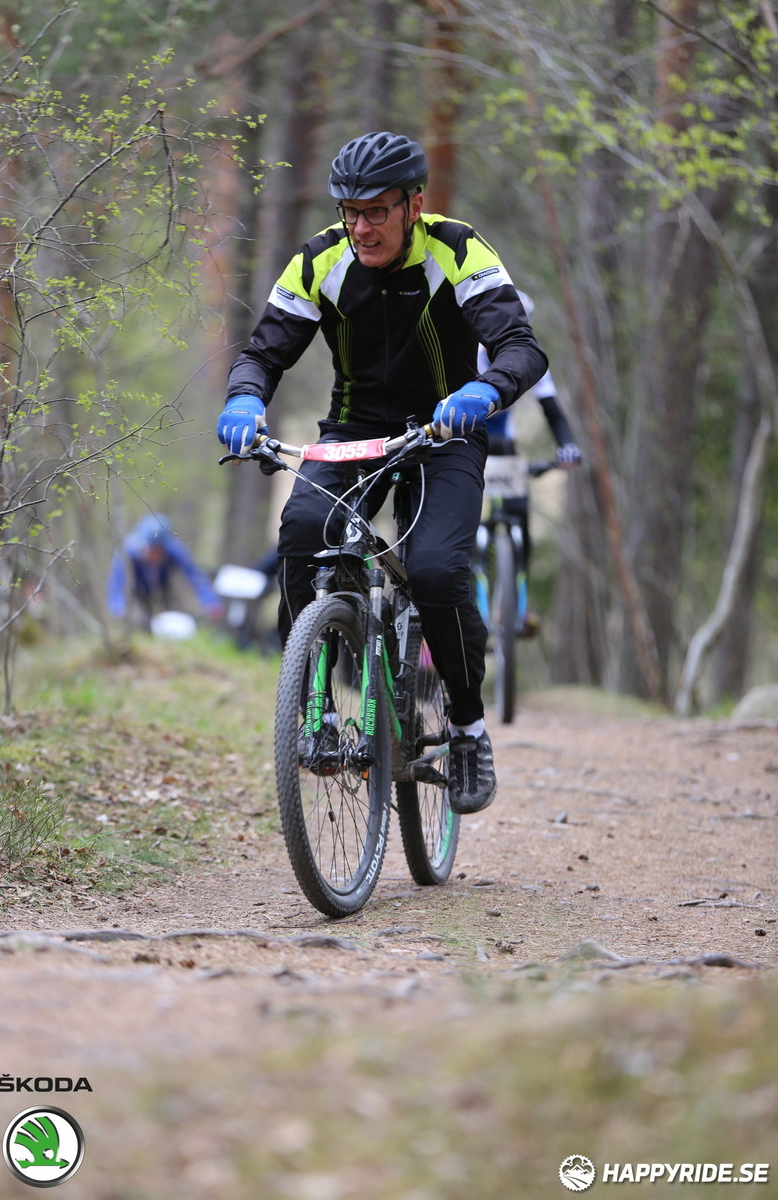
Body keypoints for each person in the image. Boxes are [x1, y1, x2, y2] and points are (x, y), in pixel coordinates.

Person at [216, 131, 548, 815]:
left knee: (435, 573)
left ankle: (465, 727)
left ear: (412, 204)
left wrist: (485, 392)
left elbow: (519, 346)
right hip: (353, 434)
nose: (361, 226)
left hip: (444, 431)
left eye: (375, 211)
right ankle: (316, 712)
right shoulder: (321, 259)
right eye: (350, 212)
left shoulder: (457, 249)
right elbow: (264, 351)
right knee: (303, 533)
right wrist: (245, 397)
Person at [481, 292, 582, 636]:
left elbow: (554, 412)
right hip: (464, 443)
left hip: (504, 448)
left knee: (520, 518)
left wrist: (567, 446)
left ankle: (518, 608)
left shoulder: (529, 361)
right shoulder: (470, 352)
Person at [107, 513, 223, 627]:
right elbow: (117, 581)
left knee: (165, 622)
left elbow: (194, 576)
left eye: (159, 551)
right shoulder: (129, 550)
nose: (155, 556)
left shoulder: (175, 550)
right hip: (136, 589)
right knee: (138, 621)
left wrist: (211, 602)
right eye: (152, 550)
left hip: (163, 588)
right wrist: (117, 607)